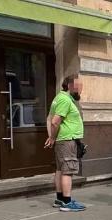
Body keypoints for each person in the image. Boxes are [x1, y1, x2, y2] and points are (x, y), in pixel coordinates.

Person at [45, 74, 86, 212]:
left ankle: (60, 199)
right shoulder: (65, 100)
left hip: (63, 140)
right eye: (78, 86)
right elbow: (55, 121)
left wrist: (52, 137)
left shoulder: (60, 98)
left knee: (60, 169)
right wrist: (52, 137)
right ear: (69, 86)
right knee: (68, 171)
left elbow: (49, 117)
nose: (80, 90)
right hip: (67, 139)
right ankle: (67, 202)